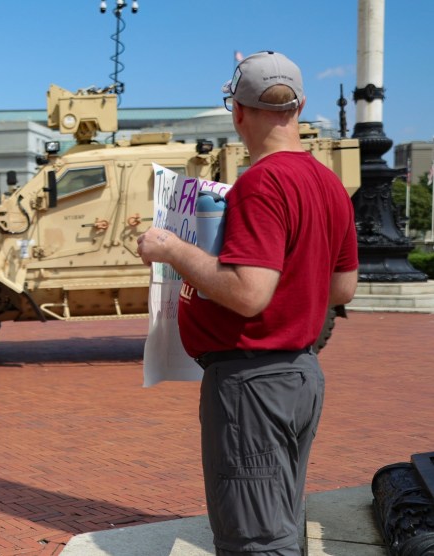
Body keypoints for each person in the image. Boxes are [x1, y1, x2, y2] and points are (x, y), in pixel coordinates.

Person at [136, 51, 358, 555]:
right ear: (300, 106)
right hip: (300, 375)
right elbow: (343, 289)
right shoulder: (328, 183)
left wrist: (170, 248)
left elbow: (247, 293)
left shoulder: (261, 182)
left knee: (256, 541)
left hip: (251, 387)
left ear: (237, 111)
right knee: (279, 523)